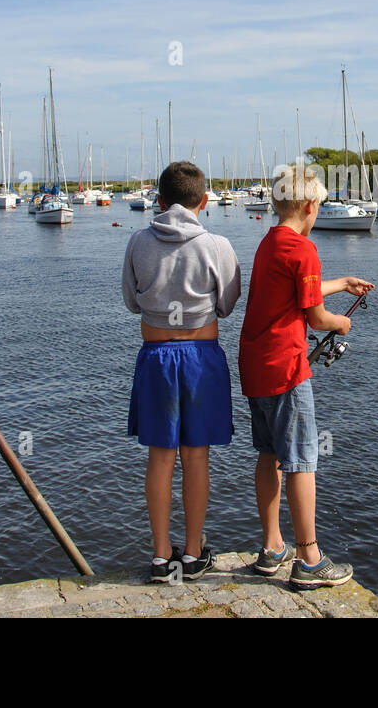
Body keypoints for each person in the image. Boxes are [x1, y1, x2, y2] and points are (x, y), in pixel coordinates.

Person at [238, 162, 375, 588]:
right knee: (301, 461)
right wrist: (341, 324)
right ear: (308, 204)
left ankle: (272, 547)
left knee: (268, 454)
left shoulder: (269, 243)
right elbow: (315, 317)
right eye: (319, 206)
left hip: (256, 367)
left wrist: (341, 283)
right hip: (287, 370)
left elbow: (295, 292)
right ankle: (309, 558)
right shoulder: (304, 249)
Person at [122, 161, 240, 582]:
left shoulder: (138, 242)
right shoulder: (218, 246)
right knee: (196, 458)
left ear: (159, 201)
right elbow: (226, 305)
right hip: (201, 357)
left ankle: (159, 557)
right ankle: (192, 554)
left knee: (159, 459)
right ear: (204, 202)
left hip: (155, 357)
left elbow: (131, 302)